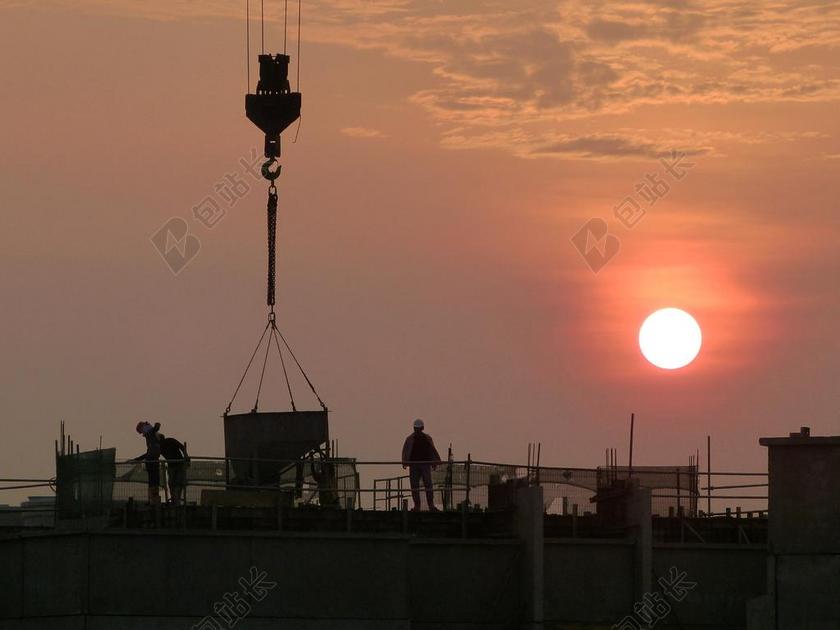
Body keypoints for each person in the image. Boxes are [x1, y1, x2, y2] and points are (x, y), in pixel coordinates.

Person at [401, 418, 442, 511]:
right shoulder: (410, 439)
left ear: (422, 428)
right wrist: (404, 461)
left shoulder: (427, 438)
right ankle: (417, 506)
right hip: (414, 465)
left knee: (428, 484)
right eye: (416, 429)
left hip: (425, 464)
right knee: (415, 485)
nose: (417, 430)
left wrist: (434, 462)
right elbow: (406, 451)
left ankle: (430, 505)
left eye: (418, 428)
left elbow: (431, 451)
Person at [133, 421, 162, 506]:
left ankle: (152, 499)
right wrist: (138, 458)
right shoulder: (151, 437)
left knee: (153, 481)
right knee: (154, 481)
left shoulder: (150, 435)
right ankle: (152, 499)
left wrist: (155, 426)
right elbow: (149, 453)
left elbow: (156, 428)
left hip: (152, 460)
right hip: (152, 461)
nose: (143, 435)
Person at [159, 433, 189, 507]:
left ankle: (176, 500)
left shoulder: (166, 443)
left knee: (175, 483)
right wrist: (186, 457)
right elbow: (181, 447)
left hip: (178, 464)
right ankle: (175, 500)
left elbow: (181, 447)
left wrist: (186, 456)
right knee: (174, 483)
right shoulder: (163, 444)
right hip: (175, 464)